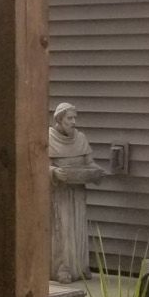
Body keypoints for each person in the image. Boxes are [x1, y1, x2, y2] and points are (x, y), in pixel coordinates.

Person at [48, 103, 105, 283]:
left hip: (78, 191)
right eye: (69, 118)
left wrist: (96, 172)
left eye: (74, 118)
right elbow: (40, 163)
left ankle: (80, 267)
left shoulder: (80, 138)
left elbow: (89, 162)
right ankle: (62, 269)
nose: (73, 122)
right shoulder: (48, 137)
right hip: (60, 192)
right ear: (59, 119)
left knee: (79, 228)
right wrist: (53, 172)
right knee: (62, 229)